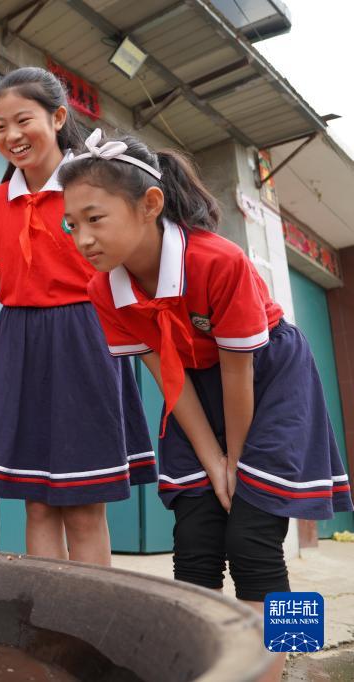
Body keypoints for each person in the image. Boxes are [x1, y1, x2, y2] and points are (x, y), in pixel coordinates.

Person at [60, 129, 353, 681]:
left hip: (267, 380)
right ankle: (200, 668)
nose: (83, 238)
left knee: (253, 539)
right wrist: (211, 460)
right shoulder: (103, 290)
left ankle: (281, 668)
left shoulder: (219, 260)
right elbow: (166, 376)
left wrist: (235, 463)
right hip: (192, 389)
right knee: (195, 541)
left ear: (150, 204)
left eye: (95, 218)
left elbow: (239, 370)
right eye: (71, 224)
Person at [0, 68, 155, 566]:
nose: (11, 135)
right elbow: (7, 281)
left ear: (57, 117)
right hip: (20, 343)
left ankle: (92, 611)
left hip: (86, 338)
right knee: (36, 502)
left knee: (84, 504)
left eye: (23, 120)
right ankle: (48, 611)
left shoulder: (91, 187)